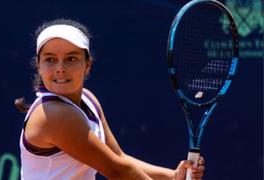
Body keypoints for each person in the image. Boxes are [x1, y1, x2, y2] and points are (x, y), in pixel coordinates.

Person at [15, 18, 205, 180]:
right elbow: (117, 171)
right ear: (38, 65)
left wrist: (172, 176)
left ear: (87, 65)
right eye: (50, 59)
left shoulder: (88, 99)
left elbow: (119, 157)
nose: (60, 67)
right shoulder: (56, 115)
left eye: (71, 58)